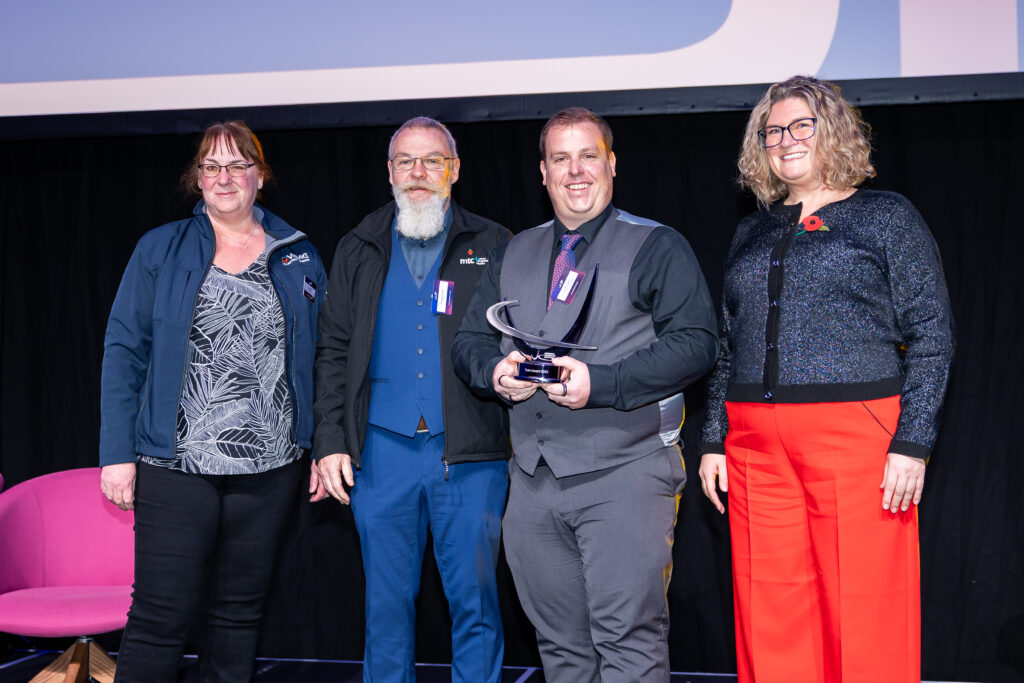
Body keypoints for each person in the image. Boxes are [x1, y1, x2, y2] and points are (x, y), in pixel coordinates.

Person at [697, 76, 955, 683]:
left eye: (801, 126)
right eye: (773, 131)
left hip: (855, 436)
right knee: (769, 605)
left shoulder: (885, 215)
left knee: (863, 606)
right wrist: (713, 439)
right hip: (754, 446)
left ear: (832, 130)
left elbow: (932, 334)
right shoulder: (752, 230)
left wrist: (913, 443)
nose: (785, 140)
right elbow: (729, 343)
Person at [452, 107, 718, 682]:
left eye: (588, 156)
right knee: (562, 651)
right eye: (560, 159)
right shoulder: (514, 251)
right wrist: (495, 372)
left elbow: (697, 344)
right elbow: (470, 341)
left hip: (625, 474)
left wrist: (604, 383)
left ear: (612, 164)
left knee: (628, 644)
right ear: (542, 173)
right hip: (532, 484)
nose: (575, 171)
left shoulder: (656, 245)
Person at [99, 120, 326, 682]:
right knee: (160, 617)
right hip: (175, 466)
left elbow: (322, 357)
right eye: (212, 166)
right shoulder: (160, 247)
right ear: (197, 178)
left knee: (237, 618)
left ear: (260, 175)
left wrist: (321, 445)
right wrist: (116, 454)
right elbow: (124, 351)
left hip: (270, 468)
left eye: (238, 165)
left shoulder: (297, 254)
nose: (225, 177)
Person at [314, 117, 511, 683]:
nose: (418, 172)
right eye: (406, 161)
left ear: (455, 169)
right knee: (385, 608)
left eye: (432, 161)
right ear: (389, 171)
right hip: (380, 454)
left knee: (476, 605)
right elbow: (333, 350)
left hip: (471, 454)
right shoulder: (359, 246)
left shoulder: (495, 243)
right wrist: (329, 442)